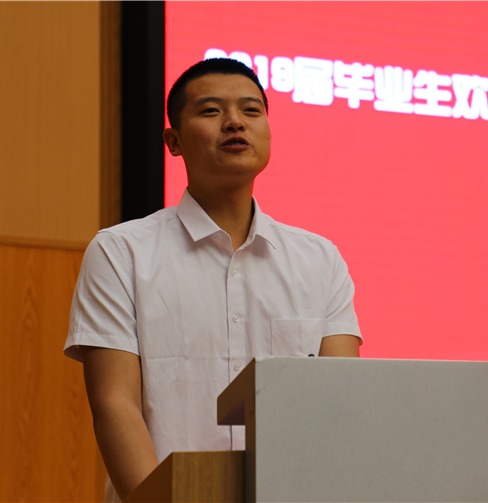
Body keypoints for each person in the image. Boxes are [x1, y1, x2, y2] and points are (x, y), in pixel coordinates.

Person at [64, 58, 362, 502]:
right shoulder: (120, 252)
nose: (234, 122)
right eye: (211, 110)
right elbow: (115, 405)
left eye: (251, 110)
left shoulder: (320, 260)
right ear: (174, 141)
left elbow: (339, 404)